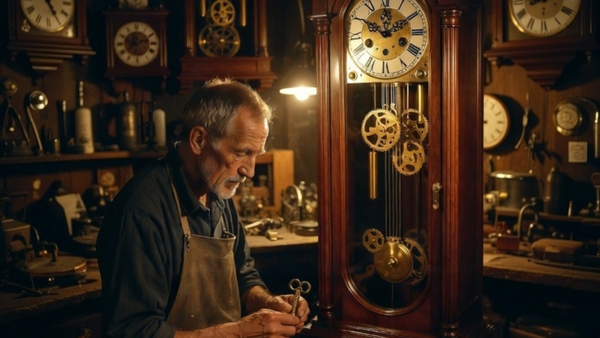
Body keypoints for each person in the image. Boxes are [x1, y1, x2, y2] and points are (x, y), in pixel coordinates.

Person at [97, 78, 310, 338]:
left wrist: (268, 302)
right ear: (199, 140)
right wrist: (241, 332)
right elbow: (133, 332)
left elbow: (244, 277)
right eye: (242, 152)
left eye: (257, 154)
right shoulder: (141, 214)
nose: (250, 171)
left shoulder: (219, 191)